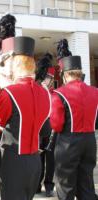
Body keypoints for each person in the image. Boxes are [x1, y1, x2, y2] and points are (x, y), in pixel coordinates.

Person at [0, 14, 51, 200]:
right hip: (35, 162)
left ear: (14, 65)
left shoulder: (9, 93)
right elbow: (46, 129)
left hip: (14, 161)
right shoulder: (45, 92)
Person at [50, 39, 98, 200]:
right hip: (90, 141)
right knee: (87, 185)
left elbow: (56, 124)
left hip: (68, 143)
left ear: (65, 74)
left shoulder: (59, 93)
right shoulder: (95, 92)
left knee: (65, 187)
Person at [35, 53, 56, 197]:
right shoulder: (37, 91)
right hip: (39, 129)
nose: (47, 80)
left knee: (51, 160)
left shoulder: (55, 94)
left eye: (49, 78)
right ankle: (37, 184)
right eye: (46, 77)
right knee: (38, 159)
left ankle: (49, 185)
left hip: (53, 130)